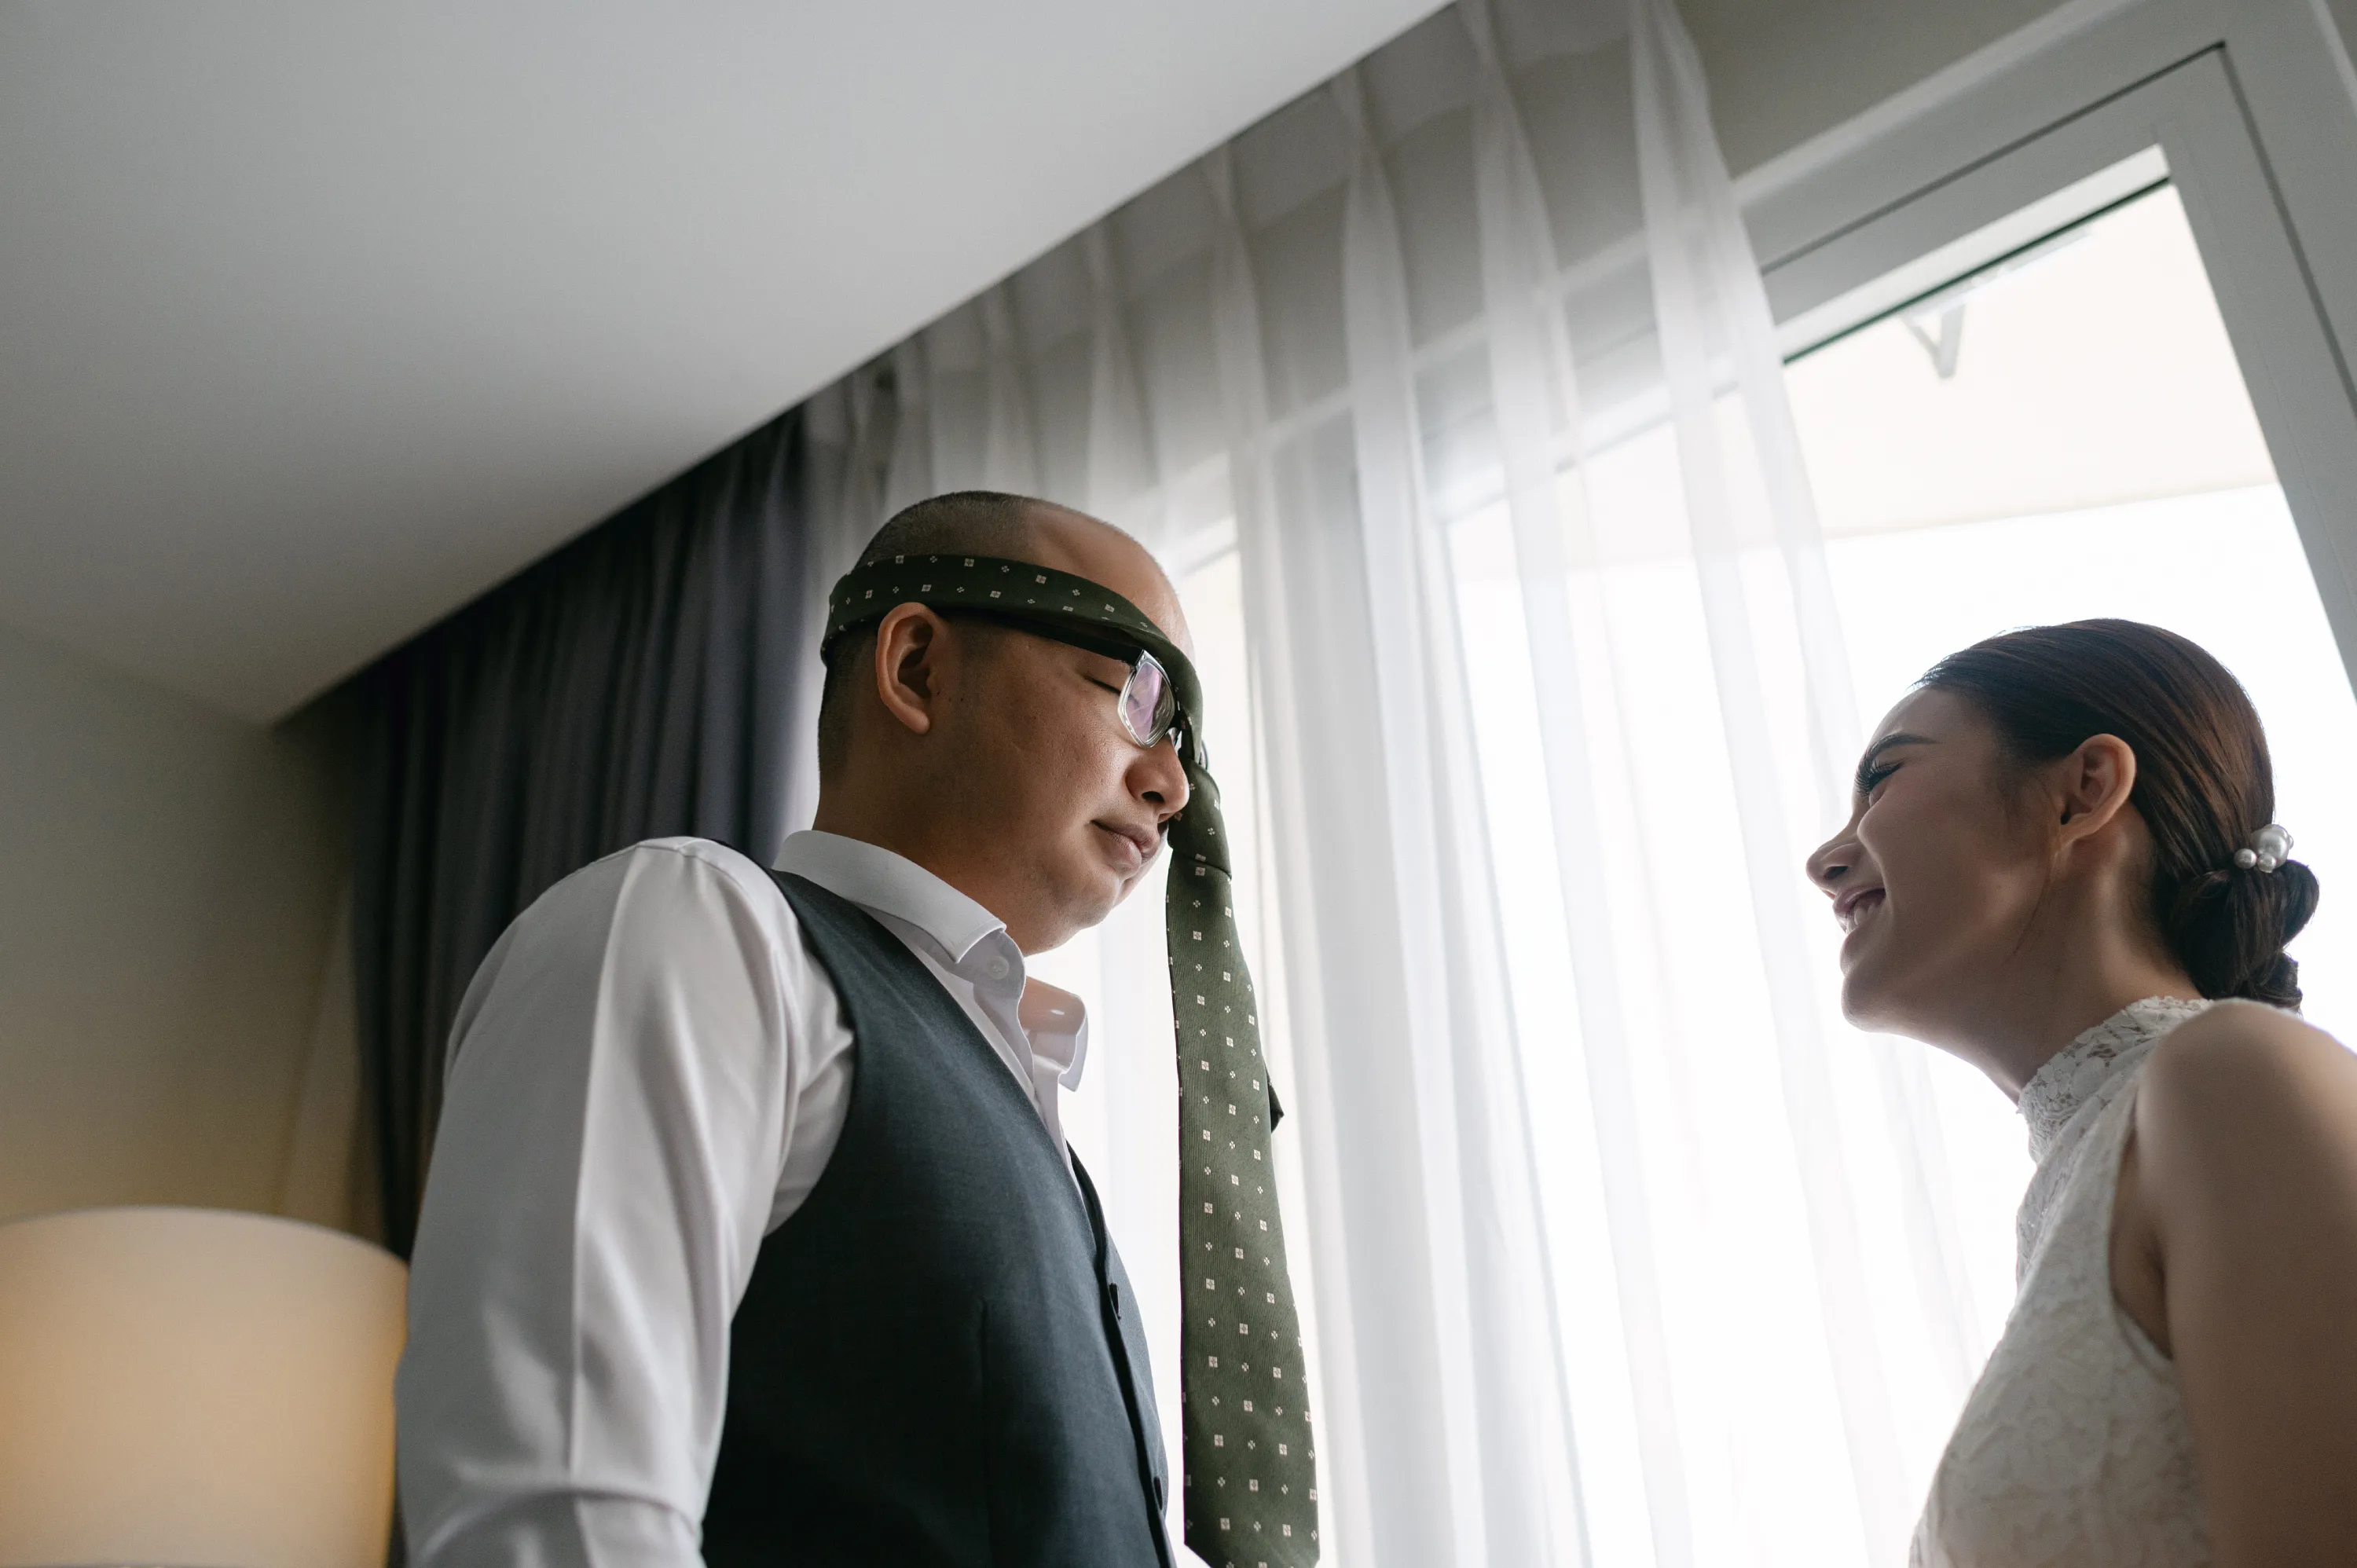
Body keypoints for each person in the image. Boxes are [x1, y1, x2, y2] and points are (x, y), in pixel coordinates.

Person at [395, 490, 1319, 1568]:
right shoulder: (698, 932)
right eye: (1140, 693)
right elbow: (556, 1519)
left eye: (1183, 739)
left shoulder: (1057, 1157)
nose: (1171, 785)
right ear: (917, 666)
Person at [1805, 619, 2357, 1567]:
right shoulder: (2087, 1185)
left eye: (1884, 778)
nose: (1827, 858)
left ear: (2085, 792)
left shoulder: (2237, 1077)